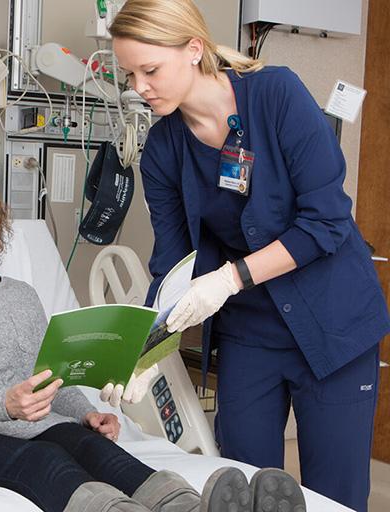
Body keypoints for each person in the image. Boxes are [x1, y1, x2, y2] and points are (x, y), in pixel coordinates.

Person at [0, 169, 306, 512]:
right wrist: (6, 404)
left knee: (94, 449)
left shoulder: (19, 294)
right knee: (45, 461)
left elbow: (52, 374)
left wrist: (86, 414)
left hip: (34, 425)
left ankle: (190, 508)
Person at [109, 1, 390, 512]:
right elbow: (173, 262)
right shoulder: (162, 150)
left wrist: (230, 279)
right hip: (250, 334)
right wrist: (147, 347)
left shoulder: (275, 95)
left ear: (194, 49)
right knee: (240, 485)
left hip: (332, 322)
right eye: (130, 73)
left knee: (335, 496)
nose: (139, 86)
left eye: (150, 70)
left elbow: (326, 220)